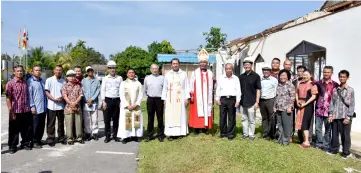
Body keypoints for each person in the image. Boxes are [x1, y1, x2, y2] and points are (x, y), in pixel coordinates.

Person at [328, 70, 355, 159]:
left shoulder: (350, 90)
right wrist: (330, 114)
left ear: (347, 78)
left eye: (344, 77)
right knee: (334, 134)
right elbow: (332, 103)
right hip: (336, 116)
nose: (342, 78)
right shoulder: (335, 90)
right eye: (340, 76)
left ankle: (345, 153)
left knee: (345, 135)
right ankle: (334, 150)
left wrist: (348, 117)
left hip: (345, 116)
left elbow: (352, 104)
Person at [6, 65, 33, 154]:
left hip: (25, 110)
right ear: (14, 72)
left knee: (25, 129)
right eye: (17, 71)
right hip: (15, 111)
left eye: (21, 71)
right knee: (14, 130)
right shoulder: (10, 83)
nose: (20, 72)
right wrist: (11, 111)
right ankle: (12, 146)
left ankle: (24, 143)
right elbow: (8, 98)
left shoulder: (25, 82)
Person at [161, 58, 190, 141]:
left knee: (180, 115)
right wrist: (164, 99)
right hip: (170, 99)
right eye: (173, 63)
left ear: (179, 64)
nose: (175, 65)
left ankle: (180, 132)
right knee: (170, 115)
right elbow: (165, 88)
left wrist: (186, 98)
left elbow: (186, 87)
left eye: (176, 63)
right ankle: (170, 133)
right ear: (171, 65)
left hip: (180, 98)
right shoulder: (167, 75)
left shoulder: (184, 74)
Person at [189, 49, 214, 135]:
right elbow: (191, 84)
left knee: (206, 110)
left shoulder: (210, 73)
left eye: (204, 62)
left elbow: (213, 84)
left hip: (207, 96)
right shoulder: (195, 72)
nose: (203, 64)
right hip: (197, 96)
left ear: (207, 63)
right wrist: (191, 94)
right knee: (197, 111)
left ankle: (204, 127)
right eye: (201, 62)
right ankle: (196, 128)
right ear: (199, 63)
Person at [314, 66, 338, 151]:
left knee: (328, 129)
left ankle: (326, 145)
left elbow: (336, 99)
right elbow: (314, 95)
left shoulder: (335, 84)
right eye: (324, 72)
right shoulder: (318, 83)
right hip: (319, 110)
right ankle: (319, 143)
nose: (326, 74)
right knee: (318, 128)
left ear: (331, 73)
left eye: (328, 72)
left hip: (329, 111)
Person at [238, 58, 261, 141]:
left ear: (251, 65)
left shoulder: (256, 76)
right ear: (243, 66)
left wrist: (257, 101)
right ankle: (245, 133)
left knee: (252, 119)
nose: (247, 66)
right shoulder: (241, 77)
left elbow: (258, 89)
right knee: (244, 119)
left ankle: (251, 134)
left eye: (249, 64)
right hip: (243, 101)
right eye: (245, 64)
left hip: (252, 102)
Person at [118, 68, 144, 144]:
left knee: (136, 120)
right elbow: (121, 95)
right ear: (127, 74)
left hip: (136, 106)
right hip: (127, 107)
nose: (131, 74)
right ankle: (126, 137)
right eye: (129, 72)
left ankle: (135, 136)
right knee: (127, 121)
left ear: (134, 74)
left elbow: (141, 94)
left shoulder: (138, 83)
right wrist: (127, 105)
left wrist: (136, 103)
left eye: (133, 72)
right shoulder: (123, 83)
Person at [216, 63, 241, 140]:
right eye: (227, 68)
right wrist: (217, 98)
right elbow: (218, 88)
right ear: (225, 69)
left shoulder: (236, 78)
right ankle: (223, 132)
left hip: (232, 99)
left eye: (230, 68)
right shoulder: (221, 78)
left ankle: (230, 133)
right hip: (223, 99)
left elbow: (238, 90)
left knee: (231, 117)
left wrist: (238, 101)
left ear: (232, 69)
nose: (228, 70)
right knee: (222, 116)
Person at [101, 60, 123, 143]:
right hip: (108, 100)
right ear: (108, 69)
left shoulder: (119, 78)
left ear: (116, 69)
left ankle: (115, 135)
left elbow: (121, 90)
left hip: (117, 100)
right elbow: (103, 90)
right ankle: (107, 136)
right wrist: (103, 101)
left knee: (116, 119)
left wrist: (121, 100)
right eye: (110, 68)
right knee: (107, 120)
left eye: (114, 68)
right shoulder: (105, 78)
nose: (112, 70)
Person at [296, 69, 318, 148]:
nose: (305, 76)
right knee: (301, 122)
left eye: (307, 75)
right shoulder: (300, 83)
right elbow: (296, 93)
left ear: (310, 75)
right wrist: (297, 101)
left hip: (308, 106)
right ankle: (303, 140)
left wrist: (305, 103)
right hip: (300, 104)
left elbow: (314, 96)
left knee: (305, 123)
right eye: (304, 74)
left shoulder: (313, 84)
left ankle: (307, 142)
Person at [45, 65, 66, 146]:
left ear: (62, 71)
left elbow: (65, 93)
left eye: (60, 70)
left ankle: (61, 138)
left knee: (61, 123)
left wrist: (62, 98)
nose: (58, 71)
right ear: (54, 71)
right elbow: (47, 92)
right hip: (51, 106)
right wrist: (53, 99)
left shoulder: (64, 81)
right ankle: (50, 138)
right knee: (51, 123)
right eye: (57, 70)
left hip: (61, 106)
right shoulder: (49, 80)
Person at [274, 69, 296, 145]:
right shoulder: (279, 85)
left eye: (284, 75)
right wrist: (275, 106)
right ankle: (280, 140)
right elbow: (276, 96)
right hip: (278, 108)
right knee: (279, 125)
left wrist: (290, 107)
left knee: (286, 125)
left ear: (287, 77)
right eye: (281, 75)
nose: (282, 77)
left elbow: (293, 97)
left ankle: (286, 141)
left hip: (287, 108)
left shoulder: (290, 85)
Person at [62, 70, 84, 145]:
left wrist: (75, 103)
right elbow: (64, 96)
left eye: (73, 76)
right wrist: (71, 104)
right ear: (67, 77)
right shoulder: (64, 86)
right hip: (68, 107)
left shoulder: (78, 85)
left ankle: (79, 137)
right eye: (70, 76)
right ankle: (70, 138)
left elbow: (81, 95)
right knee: (69, 124)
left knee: (78, 123)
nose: (71, 77)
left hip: (77, 107)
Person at [144, 64, 165, 142]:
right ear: (150, 70)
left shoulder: (162, 78)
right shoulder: (147, 78)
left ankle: (160, 135)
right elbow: (145, 89)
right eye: (153, 69)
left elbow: (165, 89)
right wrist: (149, 97)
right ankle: (150, 135)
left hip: (159, 100)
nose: (155, 70)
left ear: (158, 70)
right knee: (150, 118)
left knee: (160, 118)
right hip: (150, 99)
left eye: (156, 69)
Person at [27, 65, 47, 148]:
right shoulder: (30, 81)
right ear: (32, 72)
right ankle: (34, 141)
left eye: (39, 70)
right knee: (35, 126)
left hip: (43, 108)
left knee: (41, 125)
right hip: (36, 108)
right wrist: (32, 107)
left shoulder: (42, 81)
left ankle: (38, 139)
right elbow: (29, 95)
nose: (38, 71)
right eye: (36, 70)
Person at [82, 66, 101, 141]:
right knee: (87, 119)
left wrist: (92, 99)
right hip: (86, 102)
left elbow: (98, 91)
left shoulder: (97, 81)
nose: (90, 73)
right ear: (87, 73)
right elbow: (82, 91)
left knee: (94, 119)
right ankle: (88, 133)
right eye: (88, 71)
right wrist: (87, 100)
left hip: (94, 103)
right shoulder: (83, 81)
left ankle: (95, 133)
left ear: (93, 72)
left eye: (91, 71)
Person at [259, 64, 278, 140]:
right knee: (264, 118)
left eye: (267, 70)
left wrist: (275, 104)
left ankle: (271, 134)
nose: (266, 71)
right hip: (262, 100)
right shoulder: (260, 79)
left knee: (272, 118)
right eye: (264, 70)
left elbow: (276, 92)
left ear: (270, 71)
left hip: (271, 100)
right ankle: (265, 134)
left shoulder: (274, 80)